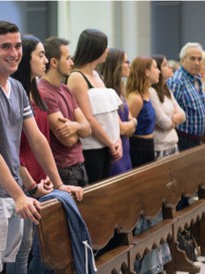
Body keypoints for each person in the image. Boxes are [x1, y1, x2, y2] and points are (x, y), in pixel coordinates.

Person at [0, 20, 81, 274]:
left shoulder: (15, 87)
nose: (14, 53)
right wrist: (18, 195)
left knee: (0, 271)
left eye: (17, 46)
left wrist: (59, 184)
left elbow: (37, 139)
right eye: (5, 47)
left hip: (8, 192)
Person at [66, 29, 122, 184]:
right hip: (93, 147)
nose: (107, 50)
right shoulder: (77, 77)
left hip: (108, 144)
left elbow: (110, 111)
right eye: (105, 46)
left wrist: (117, 140)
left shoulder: (97, 75)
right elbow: (87, 117)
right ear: (95, 49)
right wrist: (110, 143)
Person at [39, 36, 92, 185]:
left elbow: (88, 129)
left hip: (80, 164)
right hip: (63, 170)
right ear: (54, 62)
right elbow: (67, 140)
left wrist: (75, 126)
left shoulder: (66, 89)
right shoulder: (43, 92)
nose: (72, 63)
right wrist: (81, 128)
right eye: (68, 58)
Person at [97, 48, 136, 176]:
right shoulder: (108, 91)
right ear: (116, 65)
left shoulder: (121, 91)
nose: (129, 65)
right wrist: (133, 123)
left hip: (126, 148)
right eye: (126, 62)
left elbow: (131, 124)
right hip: (116, 150)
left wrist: (132, 123)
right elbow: (124, 128)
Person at [167, 42, 205, 151]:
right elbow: (170, 113)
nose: (197, 63)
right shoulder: (177, 82)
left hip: (197, 139)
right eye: (192, 59)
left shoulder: (197, 78)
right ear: (182, 60)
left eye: (199, 59)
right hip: (184, 140)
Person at [126, 56, 159, 167]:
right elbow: (128, 129)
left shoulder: (148, 93)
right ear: (147, 72)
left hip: (148, 145)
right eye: (155, 68)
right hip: (138, 148)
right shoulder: (136, 98)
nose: (158, 71)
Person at [151, 55, 186, 160]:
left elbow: (183, 115)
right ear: (157, 70)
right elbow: (163, 123)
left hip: (173, 143)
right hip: (160, 145)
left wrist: (170, 120)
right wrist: (174, 120)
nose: (170, 66)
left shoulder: (167, 90)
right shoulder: (151, 91)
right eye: (165, 65)